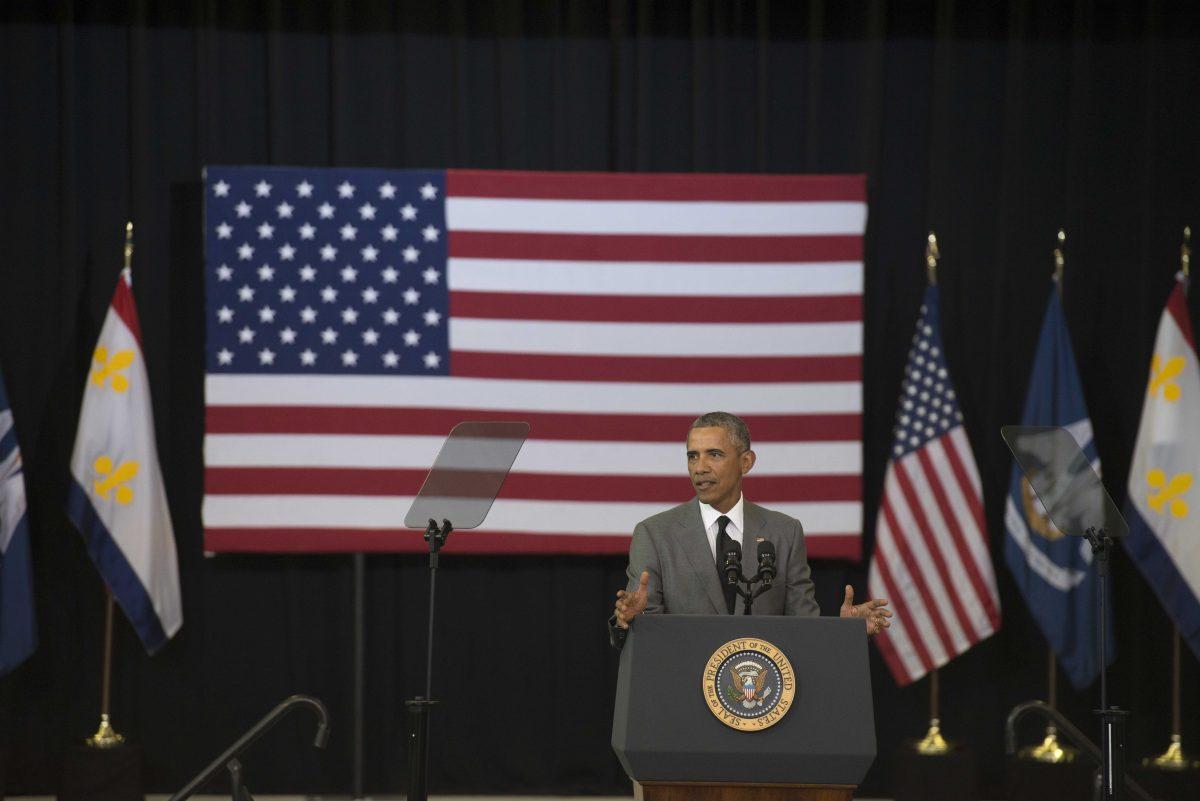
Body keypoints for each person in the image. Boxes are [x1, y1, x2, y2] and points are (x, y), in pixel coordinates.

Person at [609, 411, 891, 649]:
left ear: (746, 462)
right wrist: (633, 620)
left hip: (763, 702)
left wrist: (846, 632)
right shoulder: (655, 535)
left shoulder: (784, 533)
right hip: (684, 698)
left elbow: (804, 632)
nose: (700, 467)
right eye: (692, 456)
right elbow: (645, 636)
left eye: (714, 454)